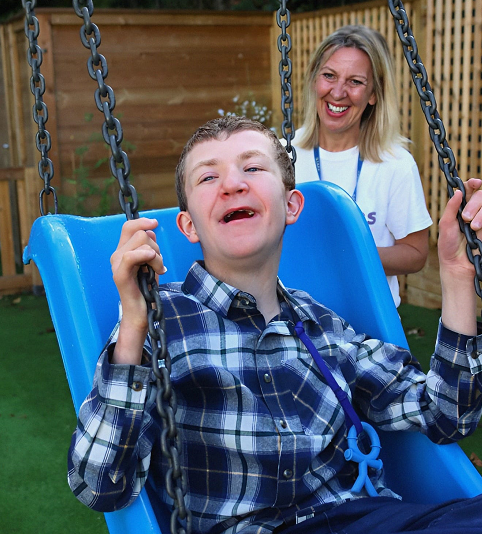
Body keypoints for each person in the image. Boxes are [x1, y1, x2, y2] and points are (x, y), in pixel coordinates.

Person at [68, 116, 482, 534]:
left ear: (291, 206)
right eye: (208, 176)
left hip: (363, 518)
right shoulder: (161, 321)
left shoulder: (321, 325)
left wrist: (456, 274)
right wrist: (135, 328)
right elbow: (99, 485)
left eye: (252, 168)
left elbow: (449, 413)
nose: (232, 184)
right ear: (189, 226)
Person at [292, 25, 432, 307]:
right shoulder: (283, 154)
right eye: (329, 76)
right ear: (314, 80)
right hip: (296, 316)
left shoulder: (395, 163)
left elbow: (416, 254)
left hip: (370, 323)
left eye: (355, 81)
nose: (338, 92)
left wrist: (347, 254)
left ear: (373, 94)